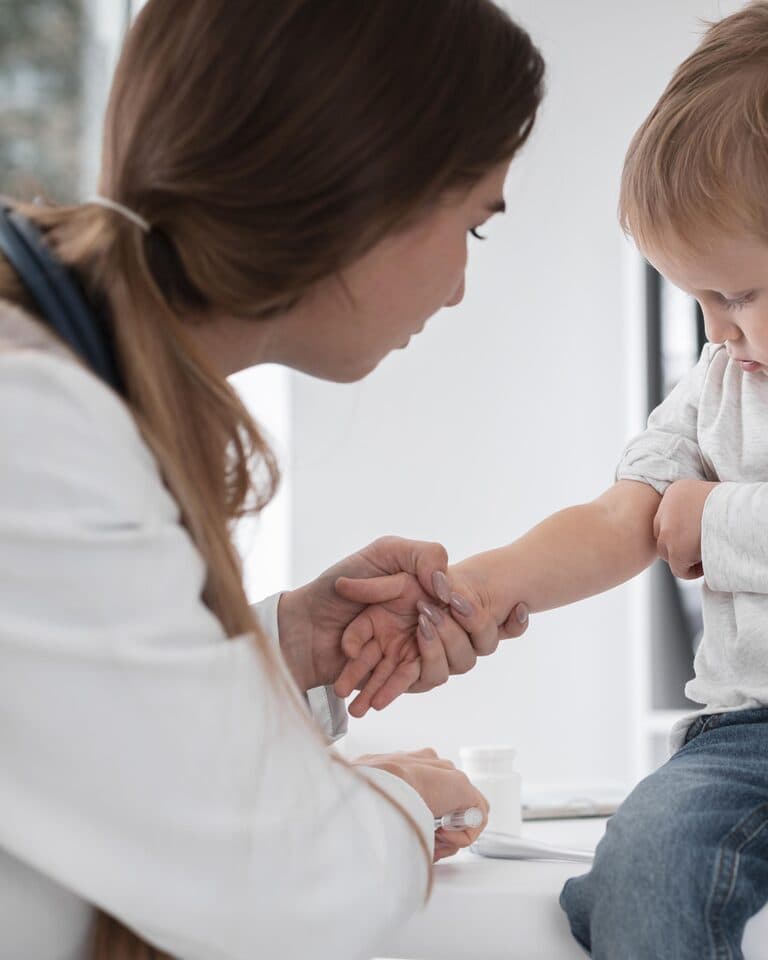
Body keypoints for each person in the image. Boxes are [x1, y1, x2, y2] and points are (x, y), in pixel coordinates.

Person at [338, 4, 768, 957]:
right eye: (699, 299)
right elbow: (620, 518)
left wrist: (716, 520)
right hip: (738, 739)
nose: (717, 329)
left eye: (738, 294)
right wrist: (472, 586)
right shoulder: (724, 380)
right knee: (633, 885)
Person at [0, 1, 541, 958]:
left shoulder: (64, 390)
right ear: (360, 194)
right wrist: (400, 804)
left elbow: (84, 717)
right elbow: (284, 887)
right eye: (474, 226)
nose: (459, 286)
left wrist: (283, 643)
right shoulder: (35, 428)